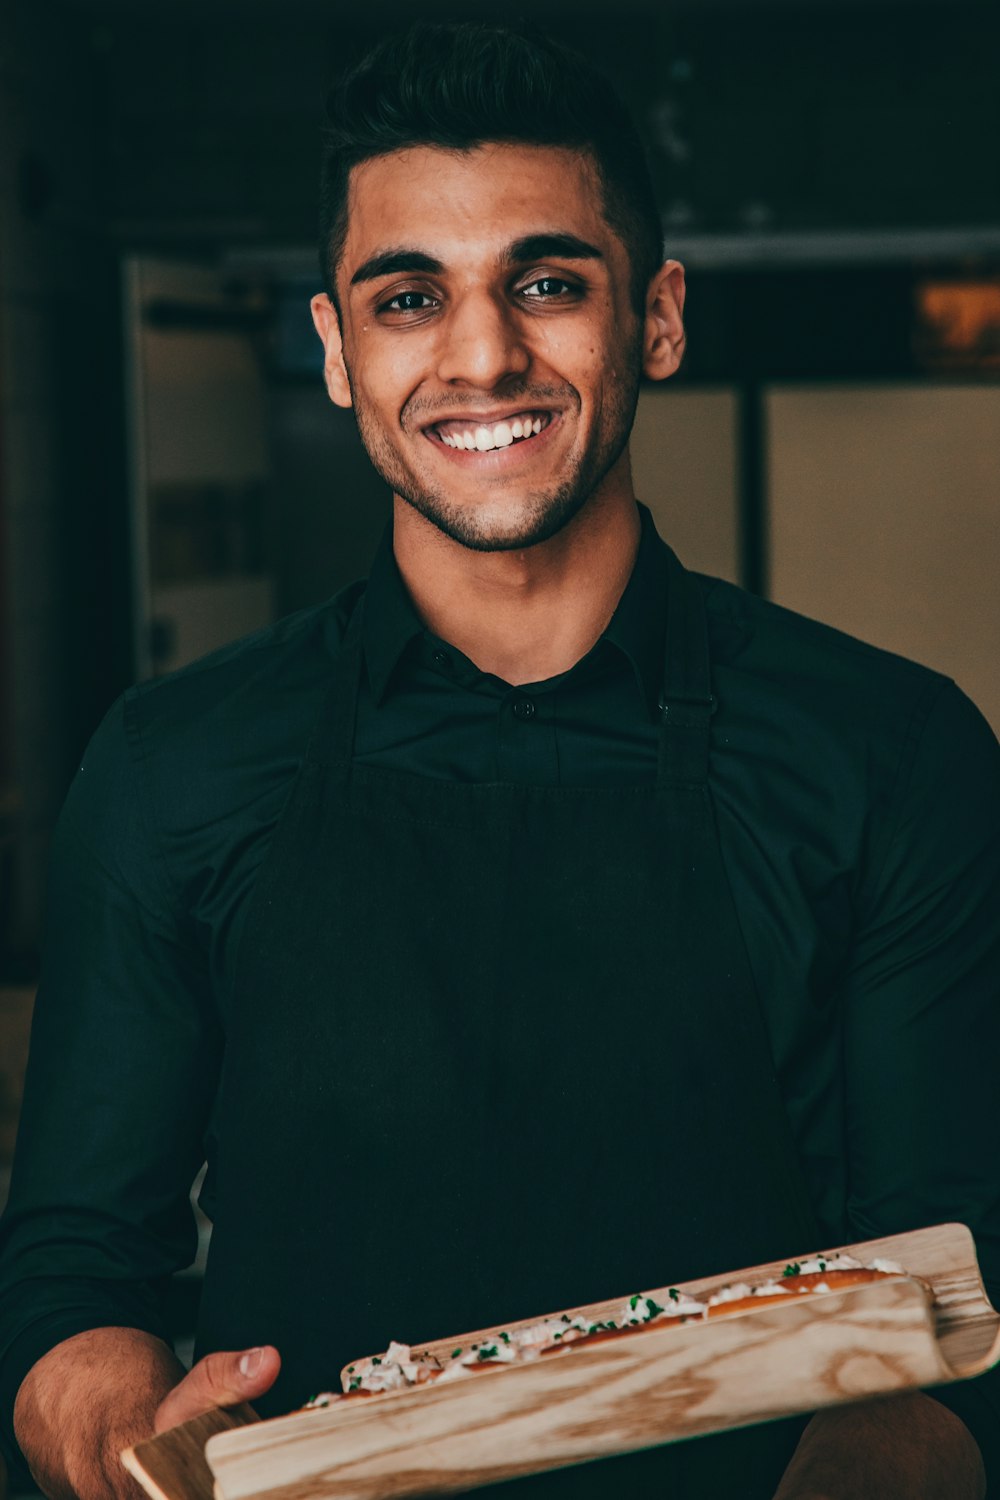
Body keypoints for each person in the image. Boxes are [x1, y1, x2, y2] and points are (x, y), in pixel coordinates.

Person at [1, 20, 997, 1500]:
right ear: (338, 351)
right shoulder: (174, 764)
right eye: (411, 297)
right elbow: (80, 1257)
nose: (484, 356)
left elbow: (957, 1261)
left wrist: (882, 1461)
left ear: (654, 318)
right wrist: (133, 1440)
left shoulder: (892, 752)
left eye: (546, 281)